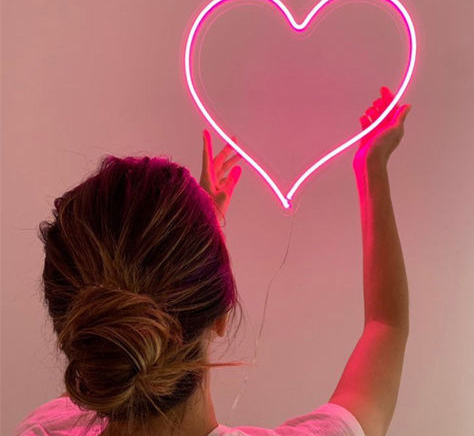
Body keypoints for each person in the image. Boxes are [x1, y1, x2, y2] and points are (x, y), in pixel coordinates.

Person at [12, 86, 411, 436]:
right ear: (222, 315)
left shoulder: (45, 428)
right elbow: (386, 326)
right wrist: (371, 165)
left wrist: (200, 238)